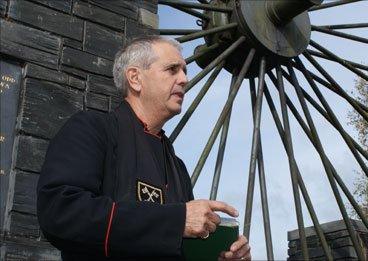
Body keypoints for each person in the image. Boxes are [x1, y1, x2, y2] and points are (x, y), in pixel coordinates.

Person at [37, 36, 251, 260]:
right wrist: (176, 220)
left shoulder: (178, 167)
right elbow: (61, 211)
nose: (184, 79)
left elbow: (179, 248)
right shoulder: (92, 129)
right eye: (172, 69)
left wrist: (219, 255)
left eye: (185, 71)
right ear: (135, 78)